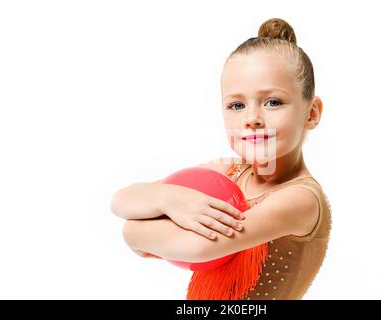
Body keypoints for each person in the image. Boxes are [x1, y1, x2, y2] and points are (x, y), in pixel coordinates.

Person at [111, 17, 332, 300]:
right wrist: (172, 200)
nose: (252, 118)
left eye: (273, 102)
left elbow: (198, 247)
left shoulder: (300, 199)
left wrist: (135, 230)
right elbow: (122, 200)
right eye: (237, 105)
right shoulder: (230, 171)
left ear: (311, 113)